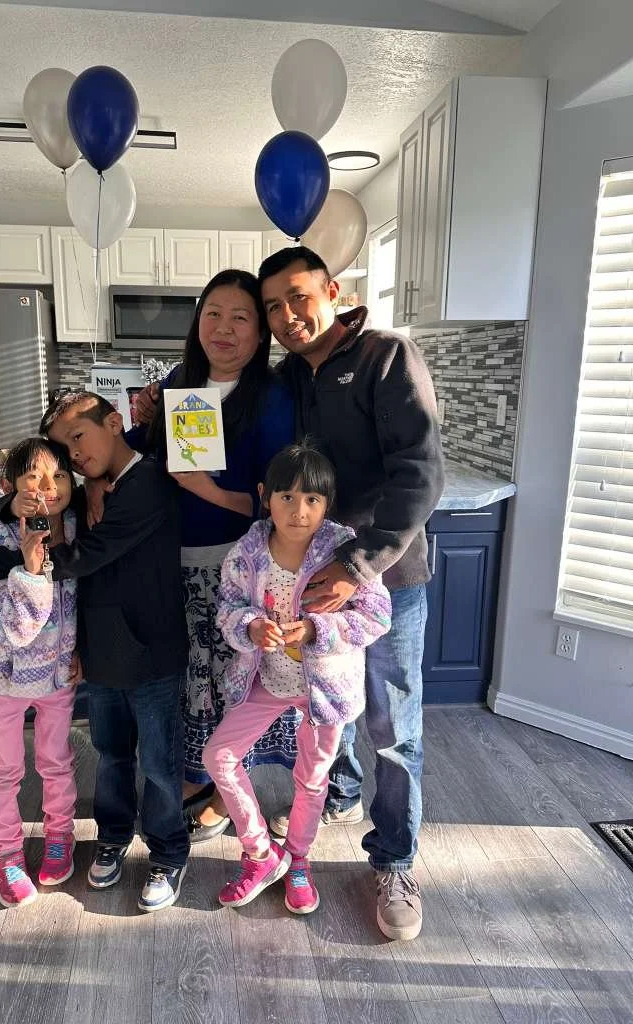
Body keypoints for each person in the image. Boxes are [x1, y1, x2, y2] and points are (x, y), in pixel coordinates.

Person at [258, 246, 445, 941]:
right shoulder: (287, 380)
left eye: (297, 297)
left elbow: (421, 474)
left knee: (393, 730)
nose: (286, 315)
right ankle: (336, 795)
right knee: (322, 707)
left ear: (333, 290)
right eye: (273, 306)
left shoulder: (386, 357)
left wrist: (359, 564)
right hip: (310, 585)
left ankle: (394, 859)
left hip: (386, 584)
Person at [0, 392, 190, 913]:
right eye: (64, 450)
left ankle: (168, 851)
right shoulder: (85, 491)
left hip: (153, 652)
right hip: (98, 651)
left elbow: (84, 557)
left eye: (78, 438)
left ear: (114, 423)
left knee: (159, 763)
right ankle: (112, 835)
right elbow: (26, 504)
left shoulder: (149, 482)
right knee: (112, 754)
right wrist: (14, 513)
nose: (73, 455)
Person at [124, 269, 297, 843]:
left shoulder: (272, 400)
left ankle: (228, 791)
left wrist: (212, 492)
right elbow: (141, 457)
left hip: (235, 568)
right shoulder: (180, 383)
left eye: (241, 317)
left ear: (260, 333)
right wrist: (135, 426)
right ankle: (208, 777)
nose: (223, 328)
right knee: (196, 680)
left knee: (237, 680)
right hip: (173, 561)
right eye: (213, 314)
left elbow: (281, 499)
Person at [203, 443, 391, 913]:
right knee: (220, 757)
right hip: (264, 681)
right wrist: (249, 626)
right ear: (265, 496)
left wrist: (316, 629)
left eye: (312, 500)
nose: (299, 510)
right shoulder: (247, 551)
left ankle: (300, 860)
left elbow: (376, 617)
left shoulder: (344, 550)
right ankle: (261, 855)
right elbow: (226, 608)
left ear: (327, 503)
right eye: (286, 497)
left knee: (312, 780)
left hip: (322, 692)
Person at [0, 437, 81, 909]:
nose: (46, 487)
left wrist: (82, 650)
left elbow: (83, 601)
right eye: (33, 476)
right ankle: (7, 853)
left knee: (56, 761)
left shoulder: (75, 531)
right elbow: (10, 627)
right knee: (4, 769)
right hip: (3, 677)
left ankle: (61, 837)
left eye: (58, 476)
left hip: (58, 675)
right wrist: (32, 570)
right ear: (9, 486)